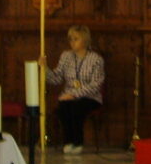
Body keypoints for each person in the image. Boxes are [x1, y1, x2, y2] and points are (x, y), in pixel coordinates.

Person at [41, 25, 104, 154]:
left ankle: (78, 142)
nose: (72, 42)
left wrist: (74, 95)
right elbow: (57, 78)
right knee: (63, 108)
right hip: (68, 96)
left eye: (76, 39)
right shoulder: (66, 56)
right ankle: (68, 142)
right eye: (70, 39)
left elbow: (95, 85)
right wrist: (45, 69)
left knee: (77, 108)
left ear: (85, 40)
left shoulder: (96, 59)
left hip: (90, 97)